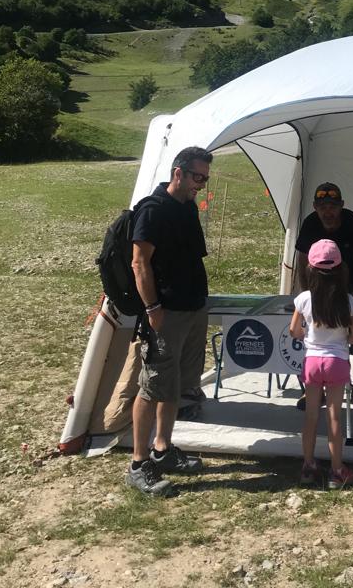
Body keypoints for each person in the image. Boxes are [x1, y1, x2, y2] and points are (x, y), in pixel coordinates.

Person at [125, 146, 213, 496]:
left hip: (192, 308)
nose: (201, 185)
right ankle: (138, 461)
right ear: (178, 172)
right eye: (197, 177)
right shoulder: (153, 209)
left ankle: (163, 449)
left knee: (175, 383)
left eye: (205, 179)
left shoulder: (188, 207)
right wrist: (152, 308)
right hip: (166, 312)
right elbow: (139, 263)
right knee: (153, 385)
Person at [290, 238, 353, 489]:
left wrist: (306, 334)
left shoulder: (304, 299)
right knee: (334, 417)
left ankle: (308, 466)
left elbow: (294, 330)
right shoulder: (349, 301)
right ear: (342, 270)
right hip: (337, 362)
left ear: (310, 269)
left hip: (312, 361)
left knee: (310, 416)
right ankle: (336, 470)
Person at [294, 182, 353, 400]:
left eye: (333, 207)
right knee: (314, 337)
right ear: (314, 207)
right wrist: (306, 293)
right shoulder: (310, 223)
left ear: (342, 206)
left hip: (351, 287)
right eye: (322, 208)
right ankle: (313, 387)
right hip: (318, 288)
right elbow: (301, 260)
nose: (328, 212)